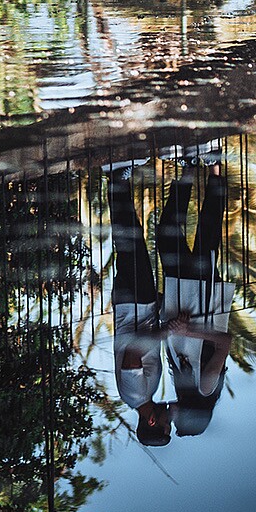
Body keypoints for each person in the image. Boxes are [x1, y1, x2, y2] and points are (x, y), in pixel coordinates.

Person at [158, 157, 233, 436]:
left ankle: (189, 171)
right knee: (206, 233)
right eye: (177, 421)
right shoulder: (205, 387)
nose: (172, 415)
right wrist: (190, 331)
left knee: (168, 233)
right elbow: (225, 343)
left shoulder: (184, 381)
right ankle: (213, 169)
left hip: (181, 297)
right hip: (202, 299)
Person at [109, 167, 171, 446]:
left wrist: (168, 331)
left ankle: (115, 180)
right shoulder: (145, 393)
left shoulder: (134, 395)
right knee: (132, 243)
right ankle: (117, 183)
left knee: (129, 242)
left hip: (133, 305)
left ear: (152, 422)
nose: (170, 421)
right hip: (140, 306)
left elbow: (133, 353)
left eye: (167, 426)